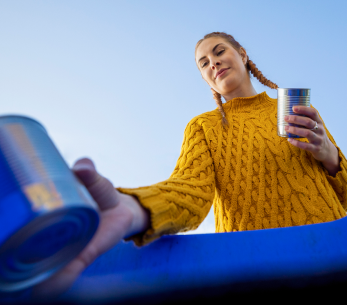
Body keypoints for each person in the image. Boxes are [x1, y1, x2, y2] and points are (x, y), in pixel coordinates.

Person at [34, 32, 347, 297]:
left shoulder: (296, 110)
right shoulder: (204, 127)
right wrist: (136, 208)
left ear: (242, 53)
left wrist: (330, 155)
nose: (213, 63)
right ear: (205, 79)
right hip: (254, 269)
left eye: (219, 51)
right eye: (204, 63)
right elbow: (189, 192)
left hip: (332, 255)